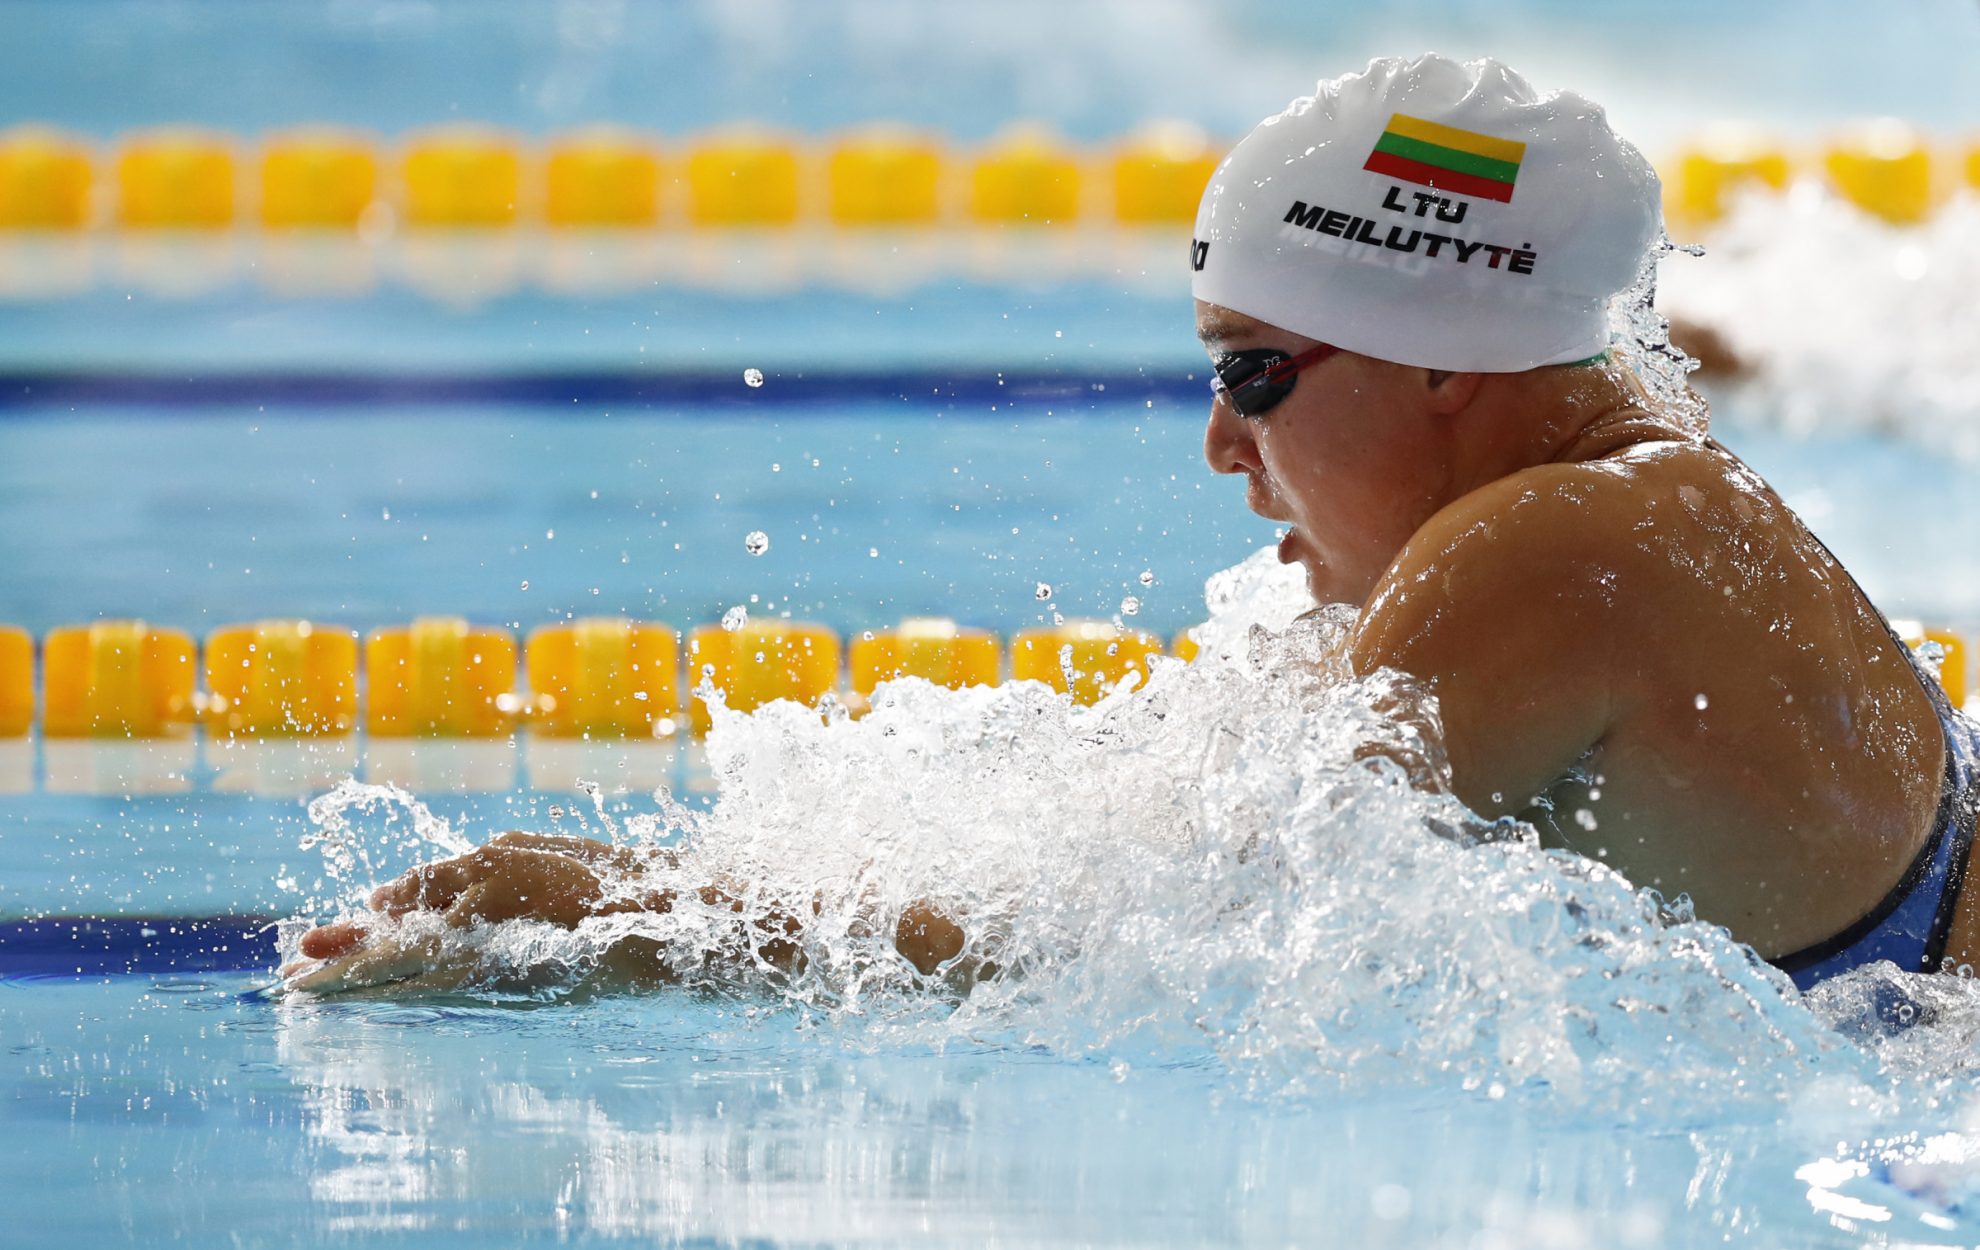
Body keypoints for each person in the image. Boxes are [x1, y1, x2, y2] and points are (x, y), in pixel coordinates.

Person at [288, 54, 1978, 997]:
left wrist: (639, 911)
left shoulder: (1539, 552)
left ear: (1446, 365)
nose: (1221, 446)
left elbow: (1138, 947)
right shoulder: (1643, 480)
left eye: (1253, 371)